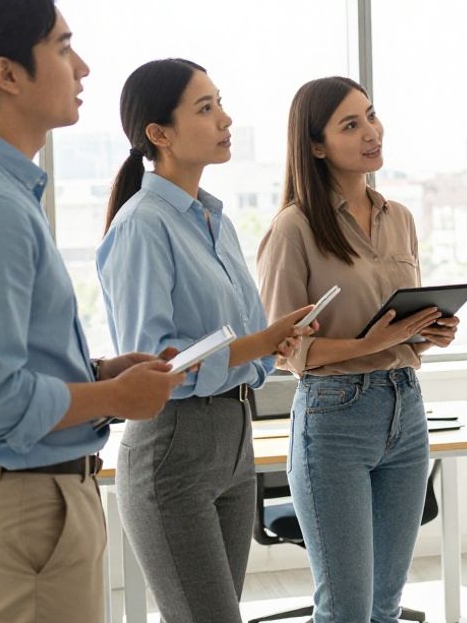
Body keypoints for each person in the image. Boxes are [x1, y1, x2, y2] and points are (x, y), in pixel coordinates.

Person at [0, 0, 183, 622]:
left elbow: (4, 371)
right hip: (22, 509)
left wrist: (94, 375)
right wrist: (113, 398)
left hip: (35, 501)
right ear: (7, 73)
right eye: (62, 48)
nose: (82, 67)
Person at [96, 58, 314, 623]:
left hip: (236, 437)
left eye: (219, 103)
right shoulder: (143, 224)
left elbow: (242, 342)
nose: (225, 118)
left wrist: (271, 345)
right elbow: (155, 366)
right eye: (206, 108)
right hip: (174, 446)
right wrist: (261, 342)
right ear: (158, 134)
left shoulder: (215, 221)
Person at [259, 76, 458, 623]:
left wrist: (426, 332)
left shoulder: (401, 219)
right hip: (333, 417)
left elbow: (396, 322)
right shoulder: (293, 228)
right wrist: (371, 344)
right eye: (352, 124)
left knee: (384, 605)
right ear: (316, 145)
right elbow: (282, 350)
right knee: (345, 610)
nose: (372, 131)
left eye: (371, 116)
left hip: (406, 406)